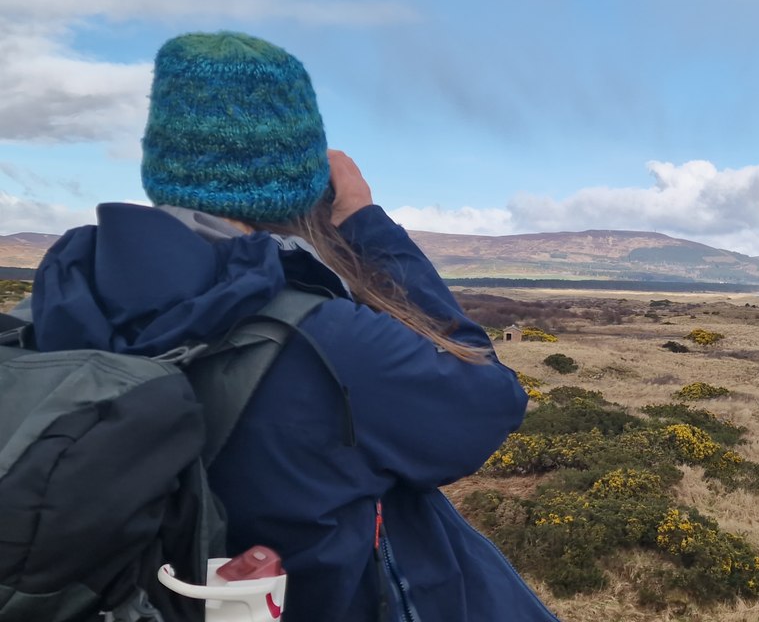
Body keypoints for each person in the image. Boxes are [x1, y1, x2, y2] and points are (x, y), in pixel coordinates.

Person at [27, 31, 560, 621]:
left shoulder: (49, 316)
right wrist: (365, 223)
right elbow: (488, 397)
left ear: (164, 166)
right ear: (305, 183)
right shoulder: (328, 341)